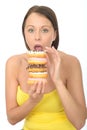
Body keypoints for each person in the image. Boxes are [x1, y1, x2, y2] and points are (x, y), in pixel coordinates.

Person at [5, 5, 86, 130]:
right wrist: (32, 101)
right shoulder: (14, 64)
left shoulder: (71, 62)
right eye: (31, 30)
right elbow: (11, 119)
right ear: (24, 34)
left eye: (44, 30)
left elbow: (80, 122)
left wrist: (58, 81)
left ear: (54, 34)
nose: (37, 37)